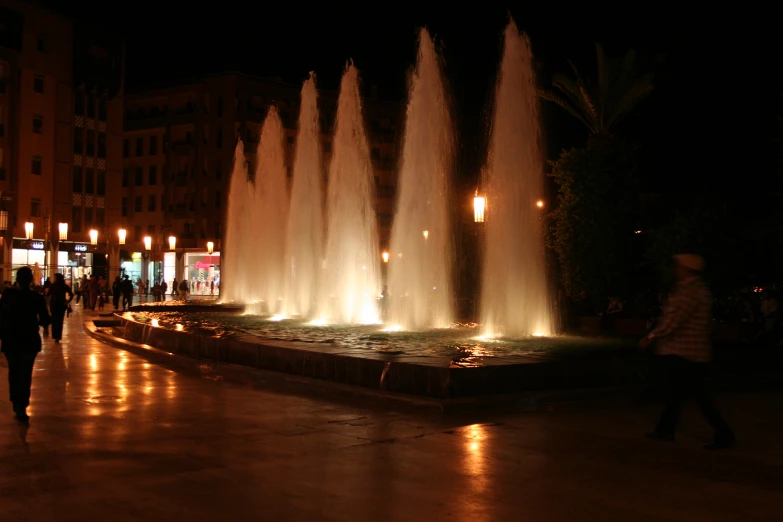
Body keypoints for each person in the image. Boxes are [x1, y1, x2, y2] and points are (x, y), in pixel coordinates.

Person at [639, 254, 736, 450]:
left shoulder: (690, 291)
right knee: (679, 393)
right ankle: (665, 429)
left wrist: (651, 336)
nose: (676, 270)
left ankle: (724, 434)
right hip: (693, 351)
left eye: (678, 267)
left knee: (698, 396)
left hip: (685, 352)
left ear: (687, 269)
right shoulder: (699, 289)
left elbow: (675, 320)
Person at [0, 267, 52, 422]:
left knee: (14, 371)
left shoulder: (8, 296)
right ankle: (22, 404)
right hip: (29, 340)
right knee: (25, 373)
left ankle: (16, 402)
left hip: (11, 340)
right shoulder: (36, 297)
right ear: (31, 280)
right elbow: (44, 319)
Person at [48, 273, 73, 343]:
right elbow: (71, 294)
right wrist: (67, 302)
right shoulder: (64, 286)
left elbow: (48, 294)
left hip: (54, 305)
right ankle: (58, 337)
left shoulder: (53, 285)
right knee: (60, 321)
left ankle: (55, 336)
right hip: (61, 305)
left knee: (54, 321)